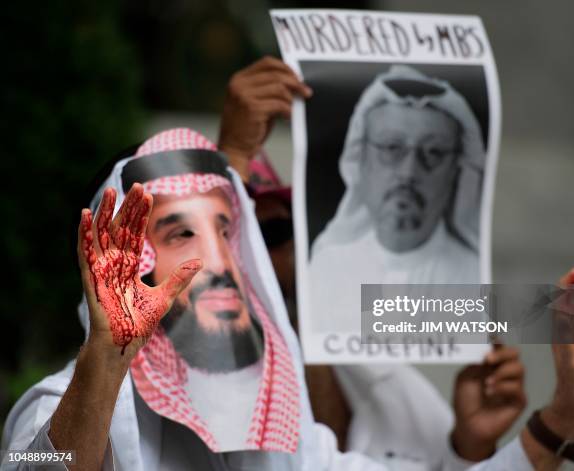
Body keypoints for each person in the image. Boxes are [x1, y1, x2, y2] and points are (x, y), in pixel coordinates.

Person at [0, 127, 574, 470]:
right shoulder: (60, 407)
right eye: (182, 232)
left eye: (227, 233)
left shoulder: (278, 435)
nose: (219, 261)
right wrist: (106, 357)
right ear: (130, 259)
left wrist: (563, 418)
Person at [218, 57, 523, 467]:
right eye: (236, 232)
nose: (261, 256)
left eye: (274, 233)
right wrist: (232, 154)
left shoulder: (391, 382)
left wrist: (468, 448)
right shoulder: (174, 383)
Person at [307, 64, 484, 334]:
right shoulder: (326, 268)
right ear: (361, 161)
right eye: (391, 148)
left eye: (434, 152)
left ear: (455, 170)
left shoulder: (471, 275)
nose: (408, 173)